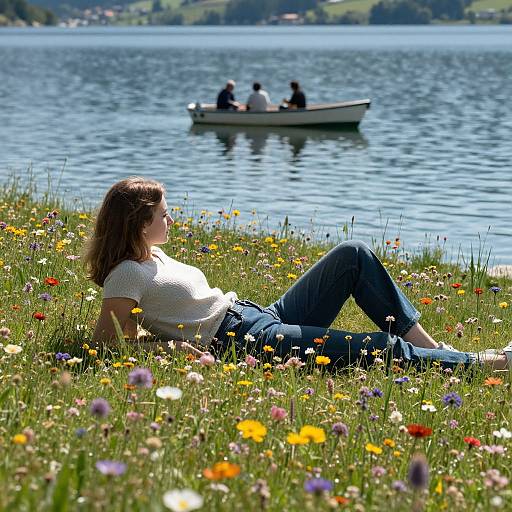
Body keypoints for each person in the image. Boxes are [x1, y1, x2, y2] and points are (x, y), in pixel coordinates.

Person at [87, 177, 512, 371]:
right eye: (164, 214)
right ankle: (487, 364)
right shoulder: (127, 273)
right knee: (380, 348)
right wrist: (170, 350)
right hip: (240, 340)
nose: (171, 220)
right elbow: (106, 341)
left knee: (353, 255)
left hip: (255, 316)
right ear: (140, 223)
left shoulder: (152, 256)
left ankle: (435, 349)